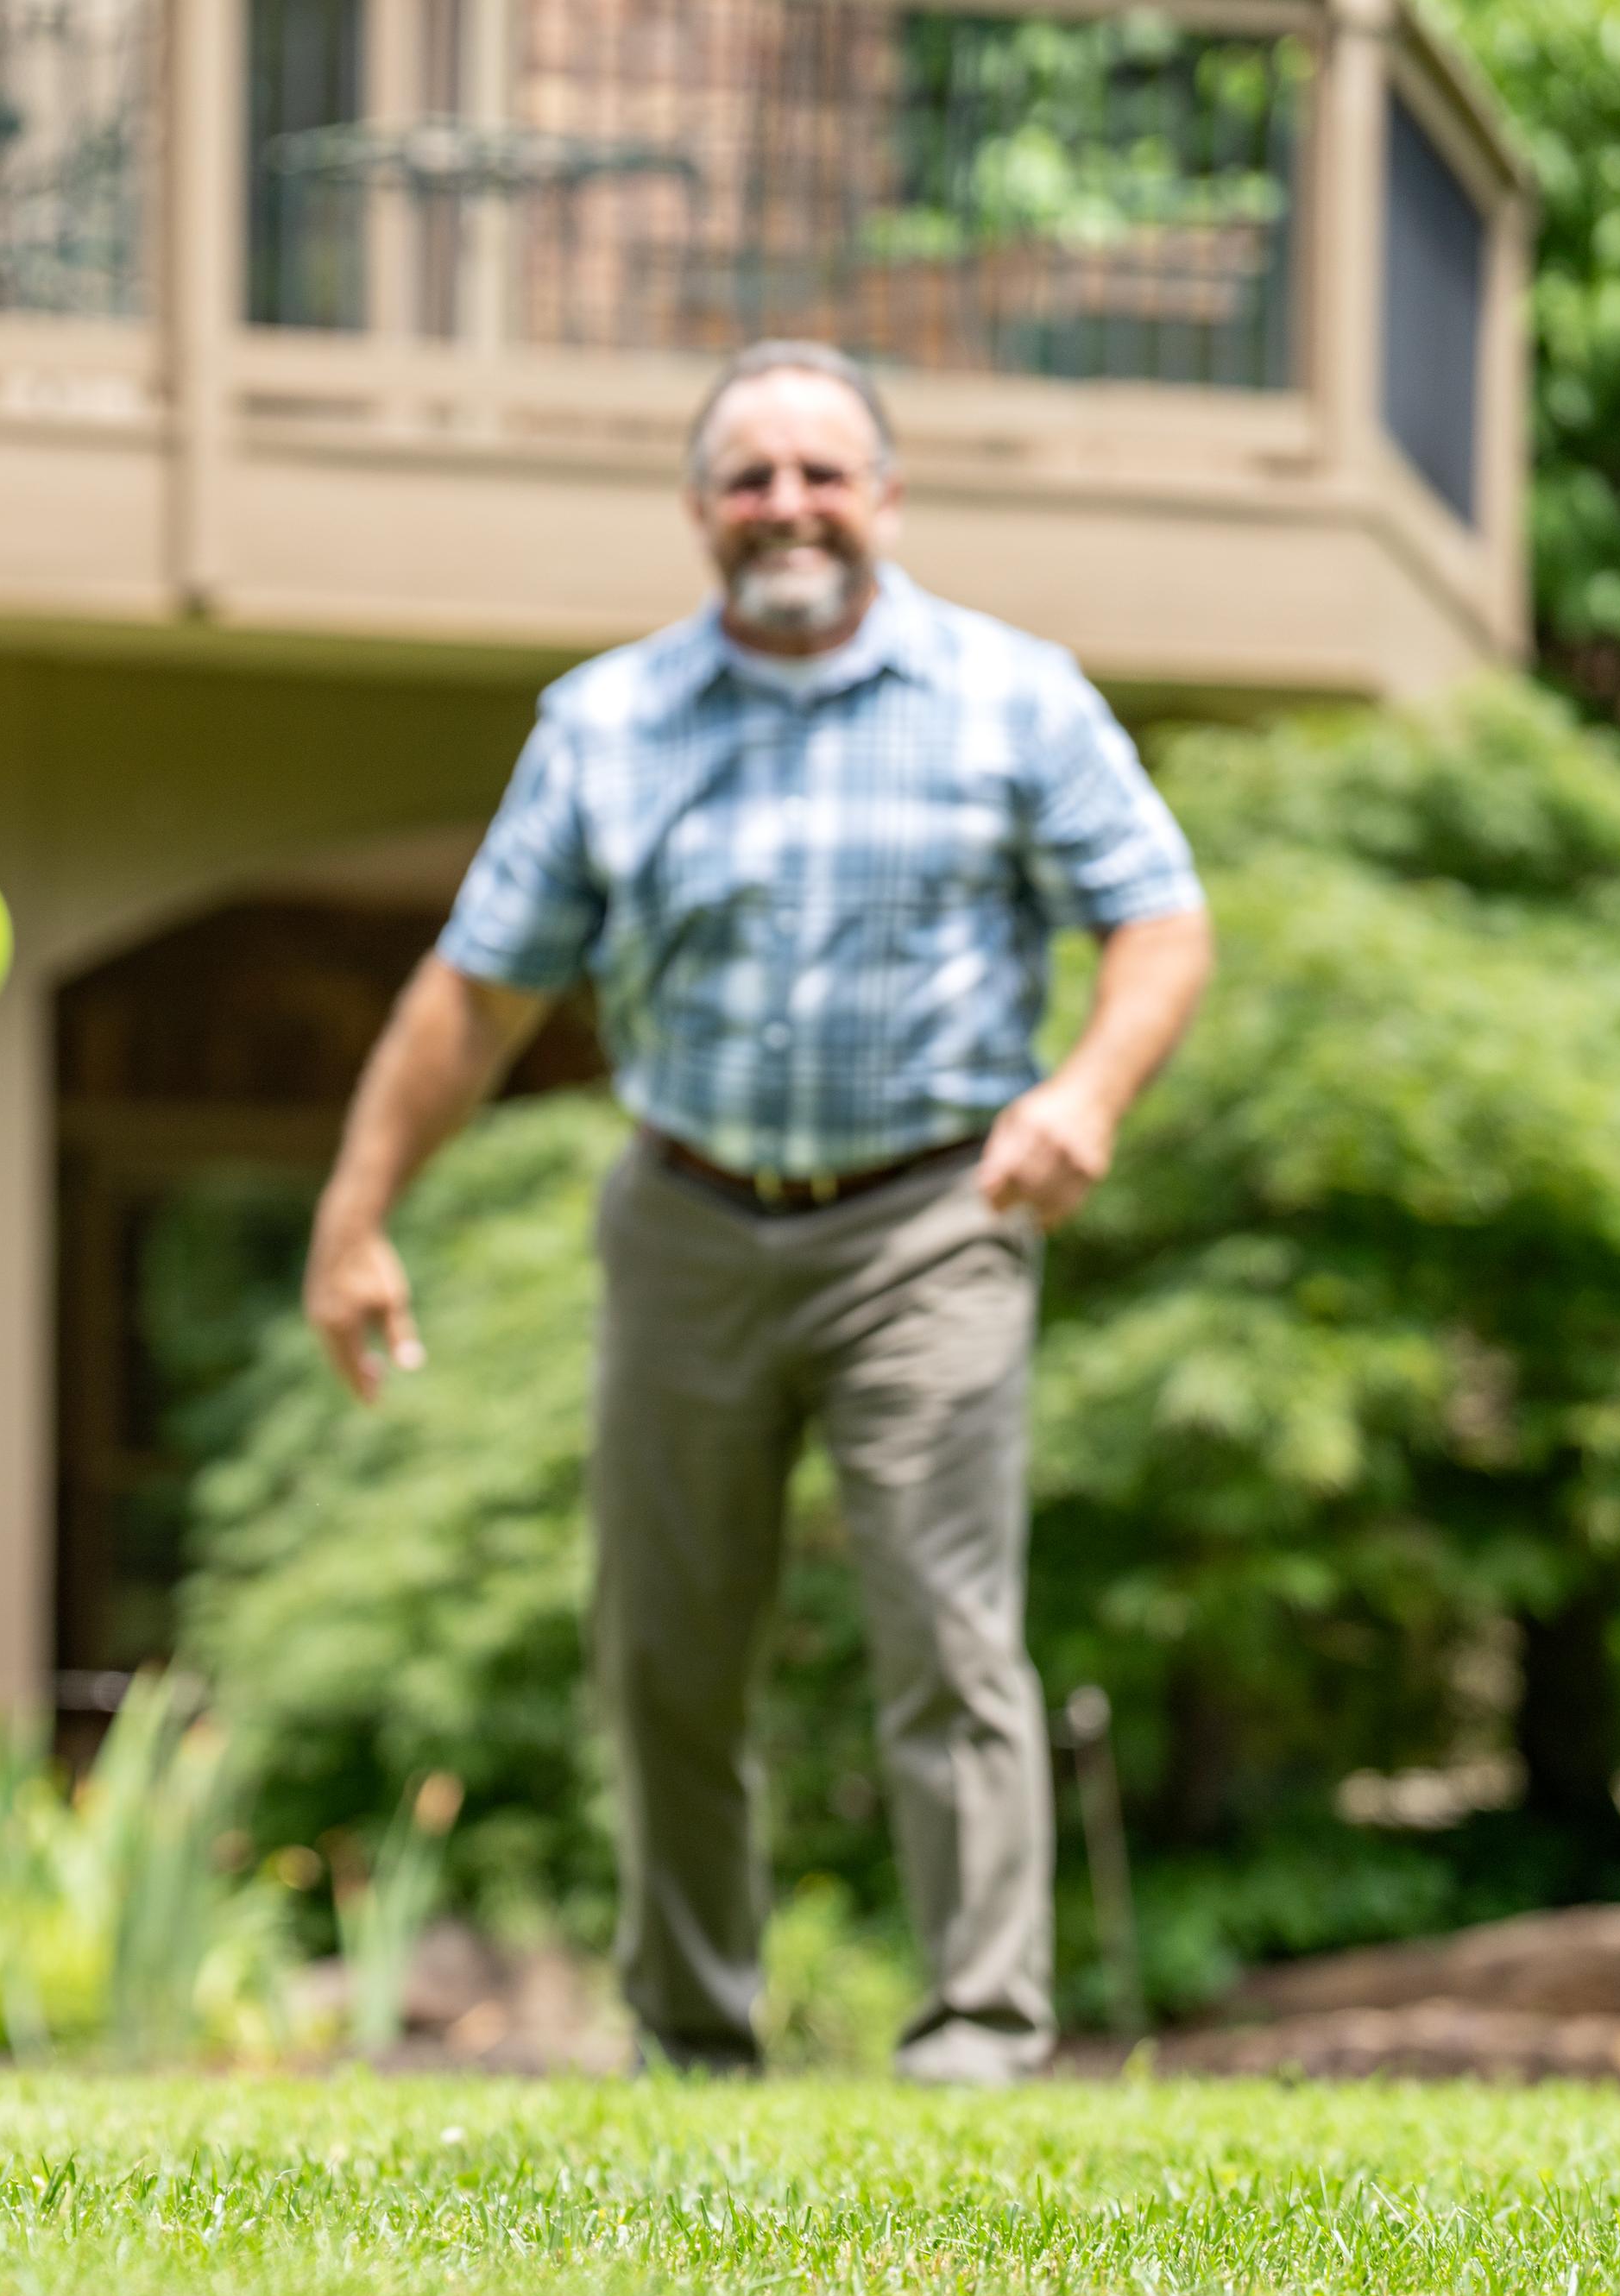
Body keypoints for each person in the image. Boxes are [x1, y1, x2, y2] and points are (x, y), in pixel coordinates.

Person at [301, 337, 1213, 2083]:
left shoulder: (1011, 695)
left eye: (817, 474)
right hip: (685, 1220)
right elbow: (473, 997)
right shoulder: (606, 723)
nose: (782, 506)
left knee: (946, 1634)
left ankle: (977, 2037)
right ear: (697, 510)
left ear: (880, 497)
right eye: (747, 478)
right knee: (662, 1648)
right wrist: (354, 1215)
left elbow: (1156, 920)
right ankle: (691, 2037)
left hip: (928, 1222)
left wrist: (1082, 1094)